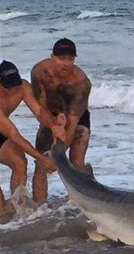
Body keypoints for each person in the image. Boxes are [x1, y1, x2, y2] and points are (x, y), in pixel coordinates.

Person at [0, 59, 65, 212]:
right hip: (4, 129)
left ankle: (18, 209)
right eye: (8, 87)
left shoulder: (22, 87)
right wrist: (42, 159)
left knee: (20, 162)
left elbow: (39, 111)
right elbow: (14, 135)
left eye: (15, 85)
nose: (12, 90)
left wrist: (53, 126)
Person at [31, 38, 92, 203]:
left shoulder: (81, 83)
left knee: (76, 162)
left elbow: (72, 121)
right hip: (49, 114)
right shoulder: (39, 72)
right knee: (42, 163)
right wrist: (53, 124)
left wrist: (58, 155)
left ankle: (79, 205)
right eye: (61, 58)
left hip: (77, 116)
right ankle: (38, 210)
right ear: (52, 57)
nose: (66, 63)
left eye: (70, 59)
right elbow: (40, 107)